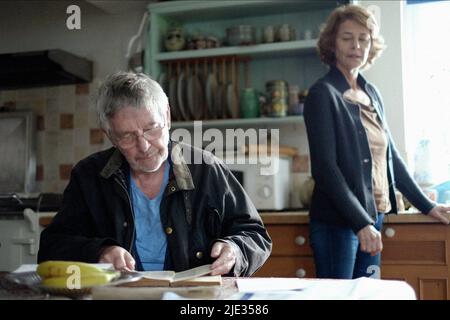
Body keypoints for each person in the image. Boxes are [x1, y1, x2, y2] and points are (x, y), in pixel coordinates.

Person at [38, 72, 272, 276]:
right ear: (110, 135)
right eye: (127, 136)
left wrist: (235, 250)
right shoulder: (89, 176)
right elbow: (52, 247)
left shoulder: (206, 168)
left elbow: (255, 235)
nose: (144, 146)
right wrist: (99, 252)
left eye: (151, 129)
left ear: (167, 116)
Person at [303, 4, 450, 279]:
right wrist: (360, 223)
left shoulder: (371, 93)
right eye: (347, 38)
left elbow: (391, 157)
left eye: (363, 39)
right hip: (339, 225)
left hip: (372, 219)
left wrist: (428, 206)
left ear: (371, 46)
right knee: (340, 300)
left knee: (367, 295)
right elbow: (325, 169)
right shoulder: (323, 94)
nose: (356, 45)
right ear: (332, 43)